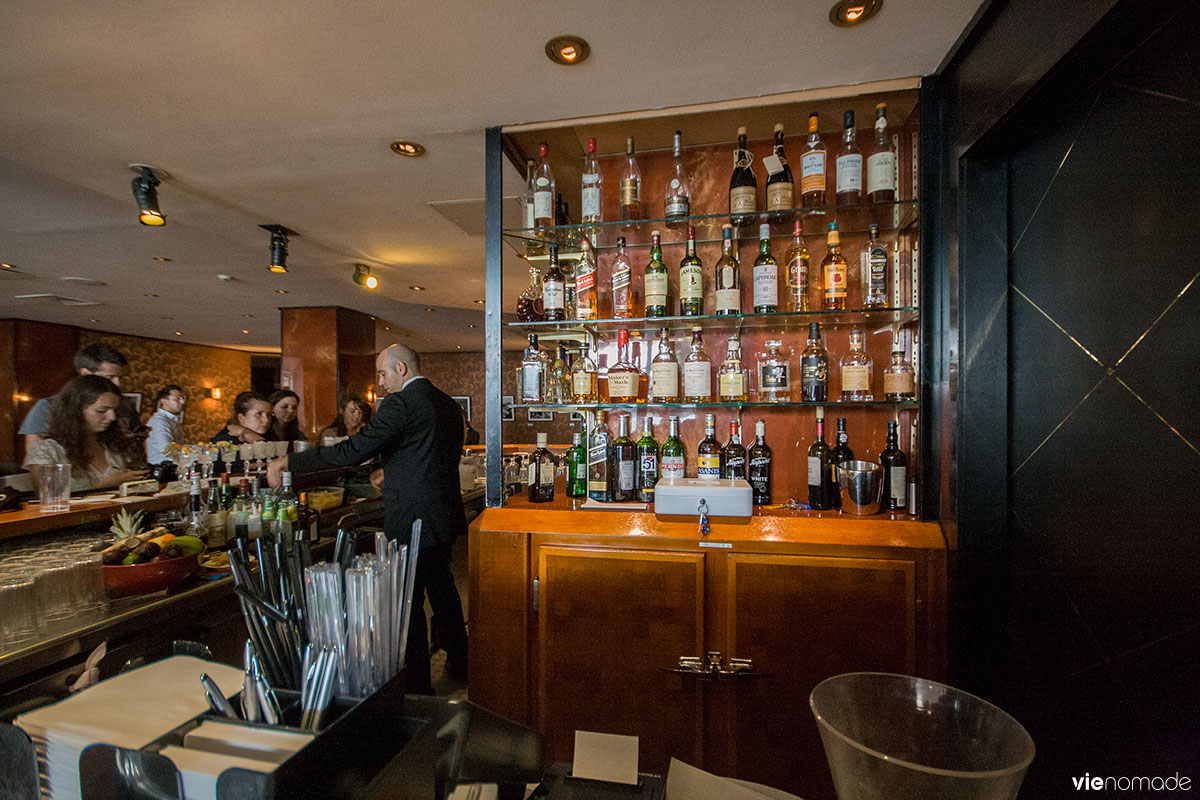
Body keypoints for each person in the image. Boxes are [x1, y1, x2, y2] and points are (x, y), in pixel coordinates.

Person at [266, 344, 468, 693]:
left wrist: (292, 463)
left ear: (401, 369)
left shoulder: (400, 403)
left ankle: (418, 686)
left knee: (408, 602)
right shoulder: (446, 403)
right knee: (443, 588)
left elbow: (355, 450)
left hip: (412, 516)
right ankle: (462, 659)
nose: (381, 381)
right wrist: (392, 470)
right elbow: (426, 453)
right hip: (444, 511)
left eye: (382, 373)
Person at [23, 375, 147, 491]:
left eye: (114, 410)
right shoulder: (46, 450)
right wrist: (104, 486)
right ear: (76, 410)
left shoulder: (111, 444)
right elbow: (48, 502)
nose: (112, 417)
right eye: (102, 410)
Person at [19, 342, 140, 455]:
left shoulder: (124, 406)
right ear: (85, 373)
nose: (117, 384)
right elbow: (36, 459)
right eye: (110, 377)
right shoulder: (48, 407)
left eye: (120, 378)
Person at [212, 392, 273, 474]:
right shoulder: (224, 441)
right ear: (241, 417)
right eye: (259, 414)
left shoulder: (269, 434)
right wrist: (247, 433)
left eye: (269, 415)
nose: (266, 420)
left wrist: (247, 433)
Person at [145, 385, 186, 464]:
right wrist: (192, 454)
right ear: (164, 401)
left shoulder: (171, 419)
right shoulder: (159, 421)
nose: (182, 402)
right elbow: (167, 449)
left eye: (182, 398)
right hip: (163, 469)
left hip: (173, 466)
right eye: (177, 398)